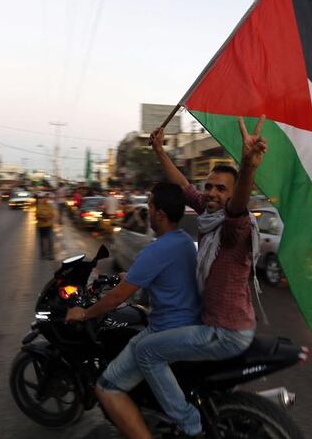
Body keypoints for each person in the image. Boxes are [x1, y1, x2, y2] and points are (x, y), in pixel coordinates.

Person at [140, 117, 267, 437]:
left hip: (224, 333)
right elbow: (184, 186)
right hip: (217, 323)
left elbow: (238, 208)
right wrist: (159, 150)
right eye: (209, 185)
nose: (211, 192)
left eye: (220, 188)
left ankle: (187, 422)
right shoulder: (210, 214)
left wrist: (248, 167)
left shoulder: (232, 228)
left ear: (232, 194)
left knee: (146, 351)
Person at [65, 183, 200, 439]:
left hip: (165, 331)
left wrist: (84, 313)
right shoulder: (183, 242)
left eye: (149, 205)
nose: (146, 210)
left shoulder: (155, 250)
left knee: (106, 387)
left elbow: (116, 298)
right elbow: (167, 277)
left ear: (159, 213)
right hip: (190, 326)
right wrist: (131, 276)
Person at [35, 194, 56, 260]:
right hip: (41, 226)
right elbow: (37, 215)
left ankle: (50, 255)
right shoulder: (39, 206)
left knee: (50, 240)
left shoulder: (50, 206)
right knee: (42, 240)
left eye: (46, 198)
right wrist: (43, 217)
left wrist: (45, 217)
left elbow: (52, 215)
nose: (45, 199)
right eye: (43, 198)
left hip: (48, 225)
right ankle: (43, 254)